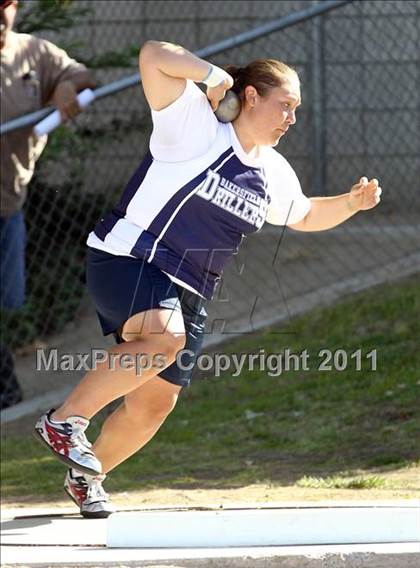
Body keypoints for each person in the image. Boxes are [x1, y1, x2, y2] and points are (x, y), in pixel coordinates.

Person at [34, 40, 382, 518]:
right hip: (131, 256)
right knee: (164, 339)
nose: (292, 118)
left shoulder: (272, 171)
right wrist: (211, 76)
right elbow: (153, 55)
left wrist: (350, 203)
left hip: (189, 288)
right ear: (252, 97)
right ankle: (64, 422)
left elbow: (303, 215)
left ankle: (86, 475)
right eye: (286, 105)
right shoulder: (195, 124)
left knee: (153, 405)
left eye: (297, 109)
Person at [0, 0, 95, 409]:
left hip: (8, 203)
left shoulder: (33, 52)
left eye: (4, 4)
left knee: (6, 301)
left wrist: (66, 88)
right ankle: (6, 391)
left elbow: (82, 76)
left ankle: (6, 392)